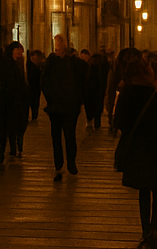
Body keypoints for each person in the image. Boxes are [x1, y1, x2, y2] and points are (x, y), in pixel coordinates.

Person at [113, 52, 157, 249]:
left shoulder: (126, 94)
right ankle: (155, 229)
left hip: (137, 148)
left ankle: (145, 229)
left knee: (143, 191)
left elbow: (119, 123)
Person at [41, 34, 89, 181]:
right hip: (55, 107)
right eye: (56, 47)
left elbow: (83, 77)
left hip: (70, 106)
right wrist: (50, 98)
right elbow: (44, 81)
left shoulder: (73, 63)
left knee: (69, 136)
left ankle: (71, 162)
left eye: (60, 46)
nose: (59, 50)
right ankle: (58, 162)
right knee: (56, 136)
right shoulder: (51, 62)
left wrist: (79, 100)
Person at [8, 42, 32, 158]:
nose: (19, 53)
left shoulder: (21, 62)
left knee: (21, 124)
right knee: (12, 124)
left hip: (21, 99)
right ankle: (14, 147)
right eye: (17, 51)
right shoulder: (8, 64)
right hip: (12, 99)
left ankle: (20, 147)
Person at [84, 48, 111, 130]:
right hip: (99, 91)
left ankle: (90, 121)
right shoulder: (102, 67)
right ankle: (97, 123)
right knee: (98, 107)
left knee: (90, 106)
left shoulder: (90, 67)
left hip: (91, 91)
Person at [26, 48, 45, 123]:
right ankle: (33, 116)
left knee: (34, 103)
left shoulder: (36, 67)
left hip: (35, 89)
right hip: (32, 88)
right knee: (32, 103)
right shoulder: (31, 67)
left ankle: (34, 116)